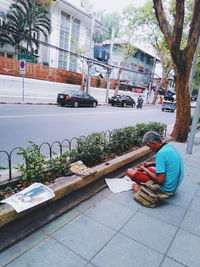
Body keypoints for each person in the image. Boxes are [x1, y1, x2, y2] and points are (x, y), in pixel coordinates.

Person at [126, 131, 184, 197]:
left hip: (167, 189)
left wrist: (145, 169)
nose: (150, 149)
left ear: (154, 144)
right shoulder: (168, 147)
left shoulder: (160, 154)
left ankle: (143, 189)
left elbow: (160, 180)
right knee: (149, 169)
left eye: (149, 146)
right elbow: (168, 164)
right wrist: (152, 164)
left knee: (129, 172)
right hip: (174, 185)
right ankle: (141, 173)